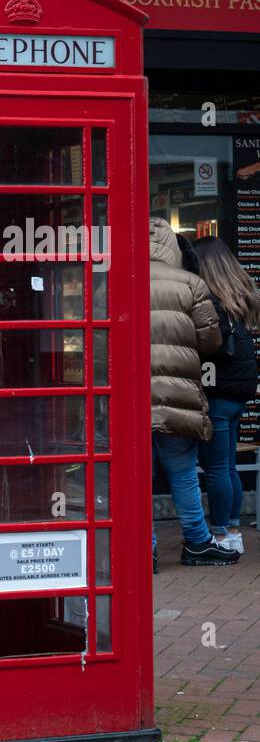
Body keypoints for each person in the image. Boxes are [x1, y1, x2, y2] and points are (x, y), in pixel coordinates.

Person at [149, 217, 238, 567]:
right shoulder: (192, 283)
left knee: (136, 477)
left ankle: (146, 548)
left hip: (130, 397)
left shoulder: (117, 280)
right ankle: (198, 542)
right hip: (178, 394)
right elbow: (210, 341)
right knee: (183, 471)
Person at [194, 236, 260, 554]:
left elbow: (206, 345)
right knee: (229, 465)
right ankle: (233, 529)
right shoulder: (239, 295)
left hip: (218, 392)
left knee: (218, 468)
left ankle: (221, 535)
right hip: (238, 392)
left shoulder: (211, 301)